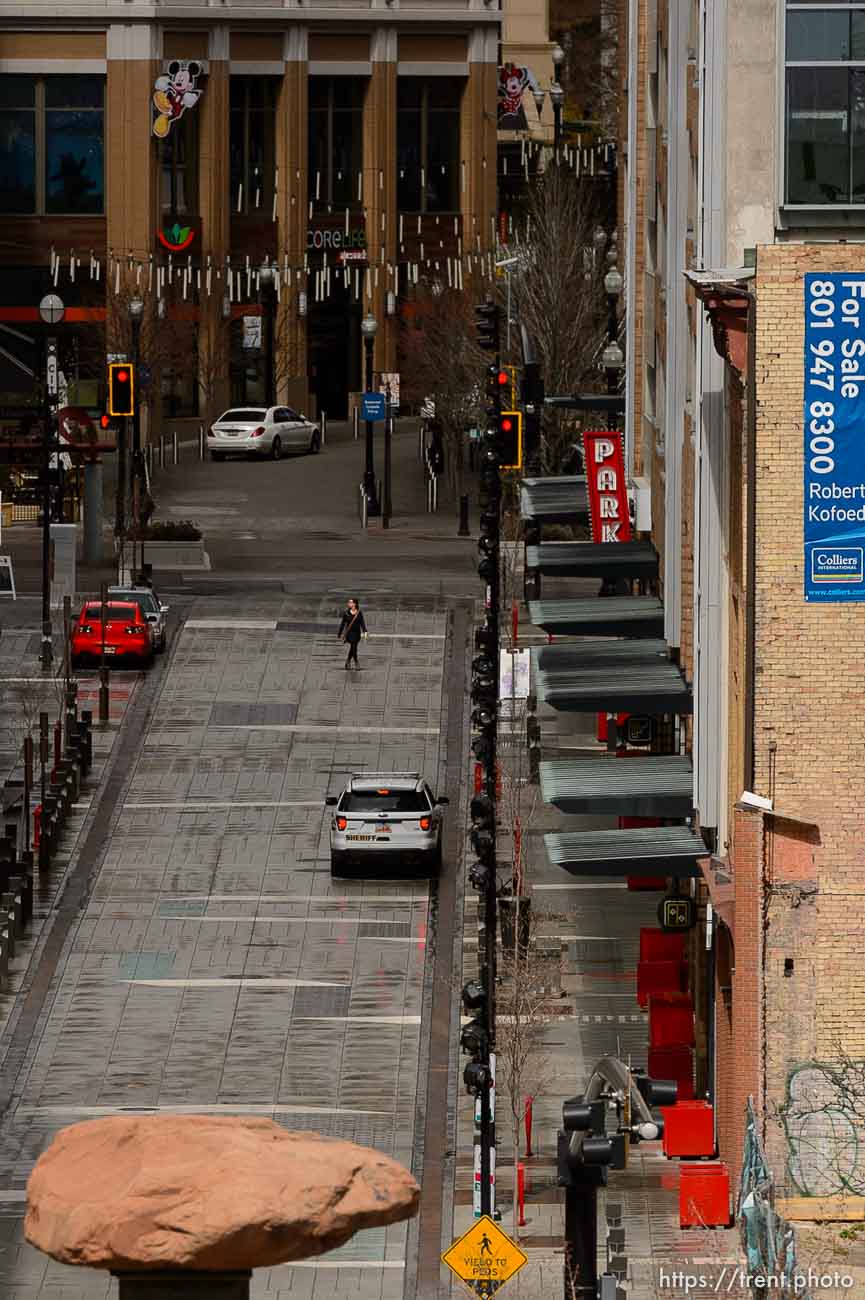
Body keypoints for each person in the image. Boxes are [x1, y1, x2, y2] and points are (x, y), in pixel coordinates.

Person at [337, 597, 367, 670]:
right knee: (354, 647)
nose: (348, 604)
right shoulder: (346, 613)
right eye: (349, 602)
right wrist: (339, 633)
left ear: (354, 604)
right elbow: (342, 624)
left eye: (350, 602)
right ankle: (356, 662)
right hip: (349, 634)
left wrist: (365, 631)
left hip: (357, 633)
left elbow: (362, 622)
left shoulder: (359, 612)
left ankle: (348, 661)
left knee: (353, 648)